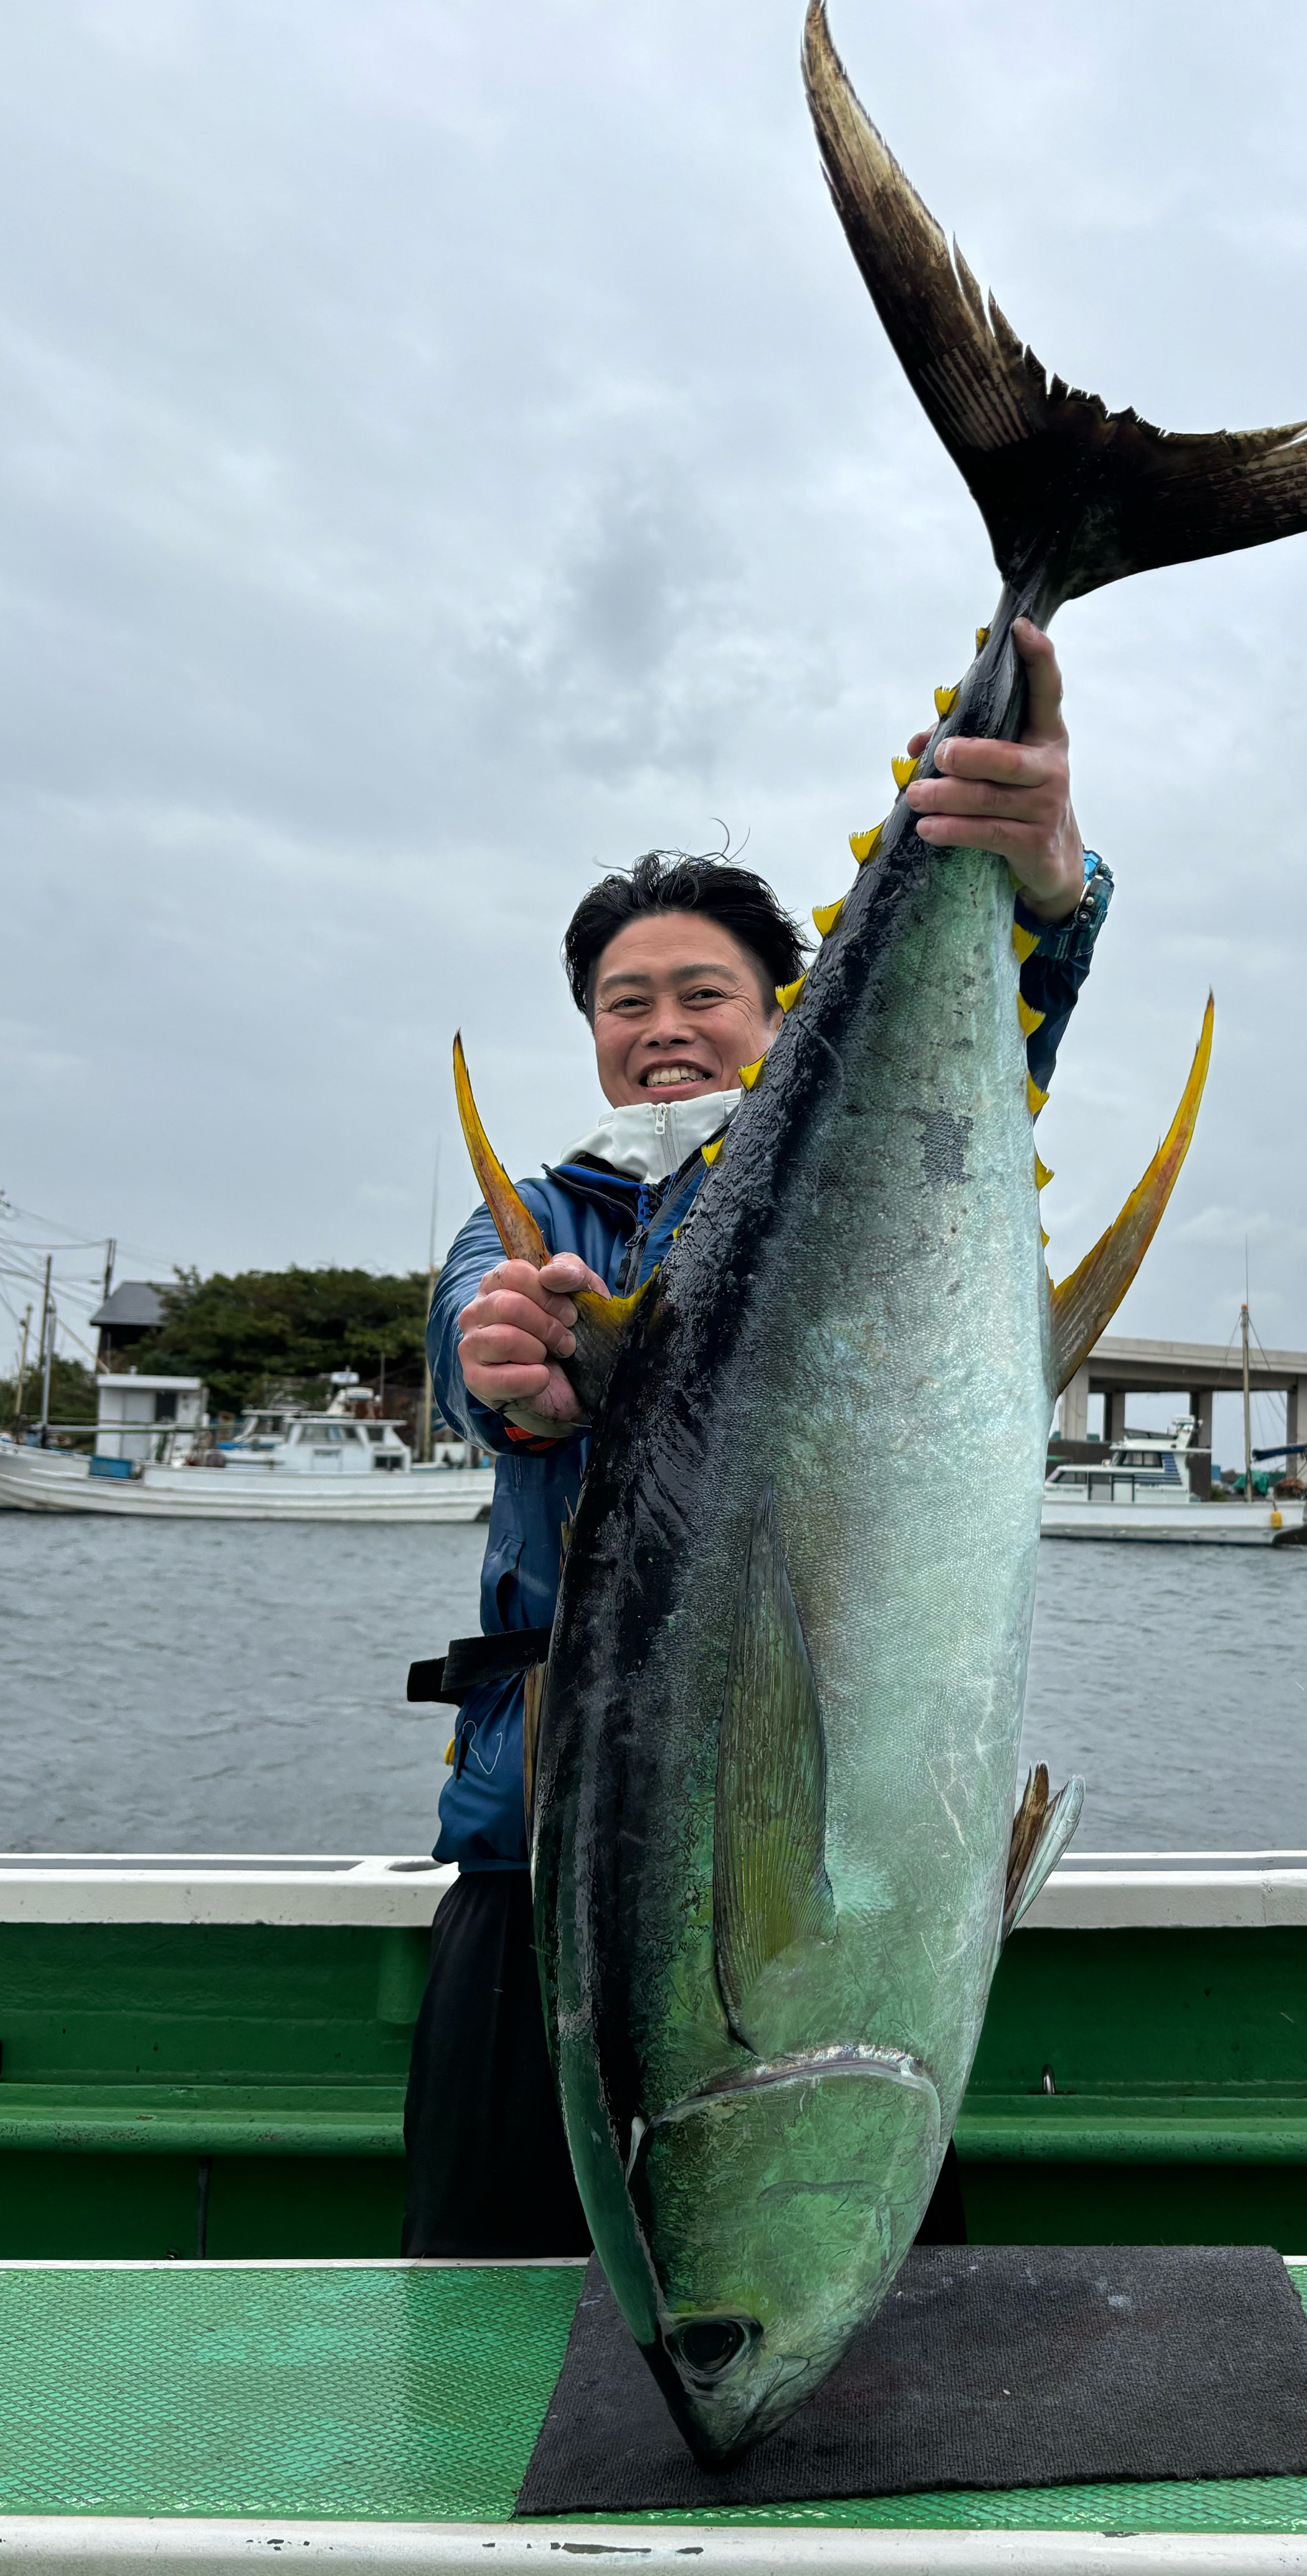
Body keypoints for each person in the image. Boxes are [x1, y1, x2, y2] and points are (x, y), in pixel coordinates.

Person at [401, 621, 1113, 2254]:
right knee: (482, 2302)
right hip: (534, 1850)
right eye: (621, 998)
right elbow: (472, 1328)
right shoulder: (537, 1213)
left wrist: (1052, 902)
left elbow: (984, 1070)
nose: (659, 1023)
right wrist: (506, 1356)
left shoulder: (869, 1172)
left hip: (838, 1871)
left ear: (774, 1005)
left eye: (701, 991)